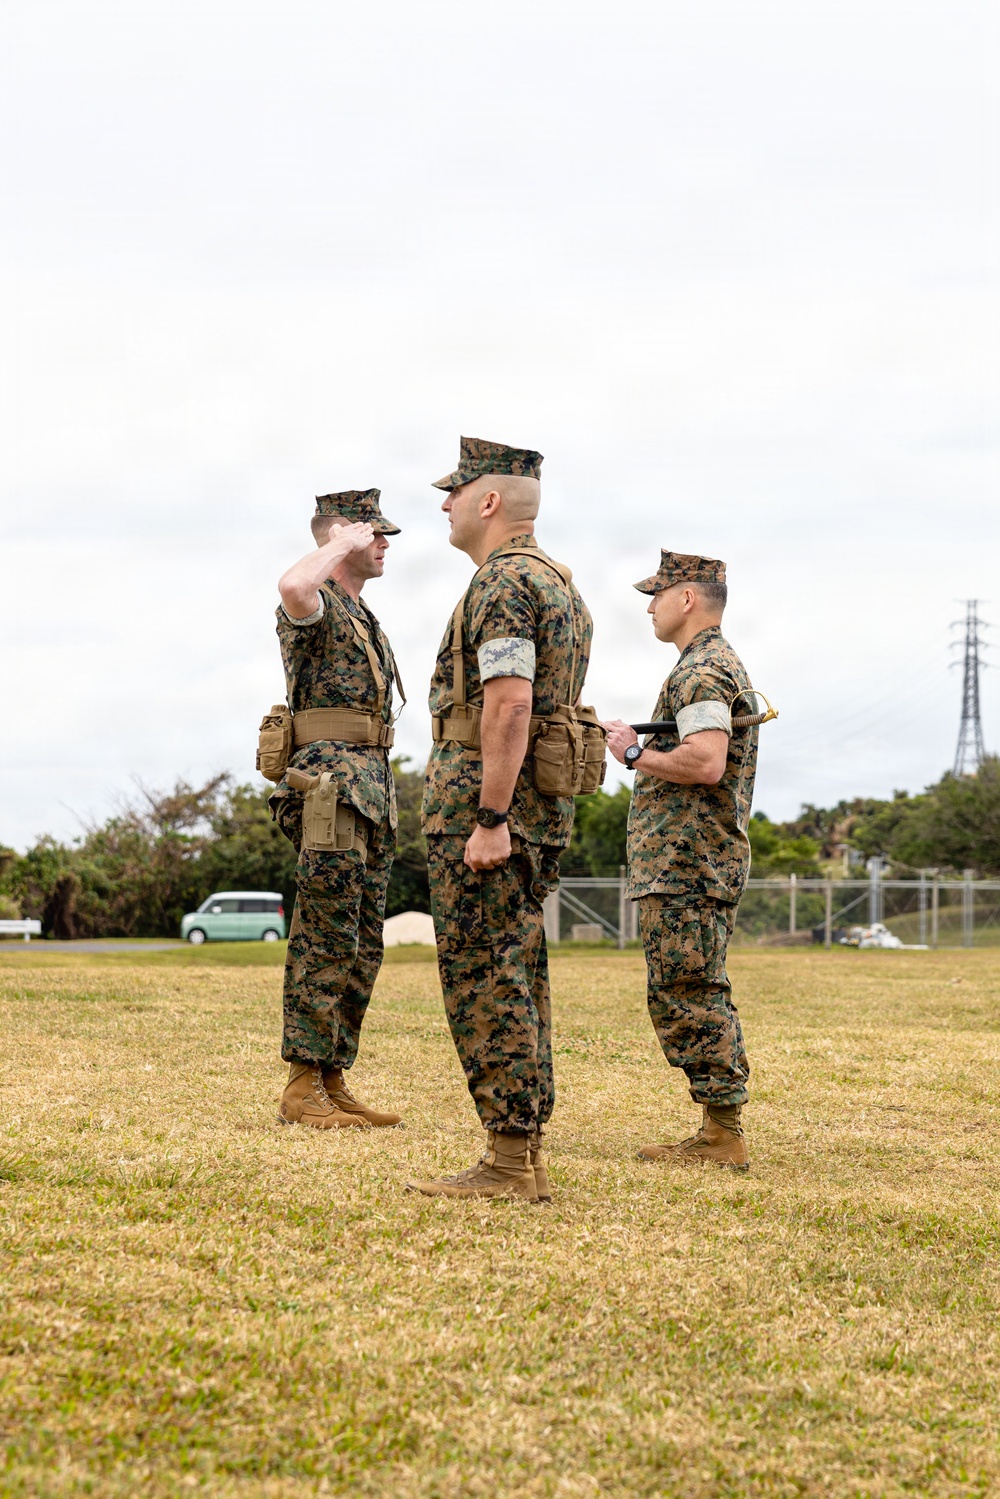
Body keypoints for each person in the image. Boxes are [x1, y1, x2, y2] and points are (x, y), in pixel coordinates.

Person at [408, 436, 594, 1203]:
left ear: (489, 502)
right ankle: (522, 1150)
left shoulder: (504, 584)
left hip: (492, 810)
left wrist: (488, 815)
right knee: (516, 970)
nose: (444, 502)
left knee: (486, 974)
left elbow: (509, 700)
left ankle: (510, 1160)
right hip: (537, 807)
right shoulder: (559, 583)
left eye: (455, 490)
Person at [602, 550, 758, 1170]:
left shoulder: (702, 671)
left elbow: (704, 760)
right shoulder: (706, 666)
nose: (649, 606)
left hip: (689, 862)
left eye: (657, 595)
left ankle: (723, 1133)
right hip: (689, 860)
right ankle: (717, 1125)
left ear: (688, 598)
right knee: (685, 987)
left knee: (689, 989)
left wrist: (633, 752)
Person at [270, 489, 405, 1130]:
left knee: (362, 941)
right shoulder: (315, 604)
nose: (384, 544)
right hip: (331, 791)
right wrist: (339, 544)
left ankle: (331, 1075)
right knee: (324, 932)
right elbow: (292, 582)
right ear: (342, 538)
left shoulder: (361, 614)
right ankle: (301, 1087)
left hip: (370, 791)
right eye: (375, 534)